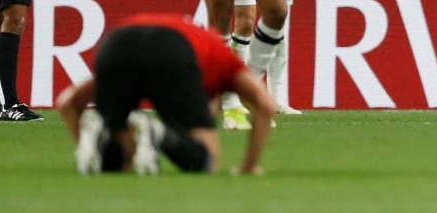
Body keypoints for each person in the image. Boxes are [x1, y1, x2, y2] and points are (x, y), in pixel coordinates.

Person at [55, 13, 275, 175]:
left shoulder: (201, 45)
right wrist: (249, 166)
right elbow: (266, 105)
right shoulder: (224, 59)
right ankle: (157, 132)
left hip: (116, 43)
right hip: (173, 49)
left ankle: (99, 136)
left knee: (122, 159)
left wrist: (83, 141)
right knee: (207, 160)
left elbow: (67, 103)